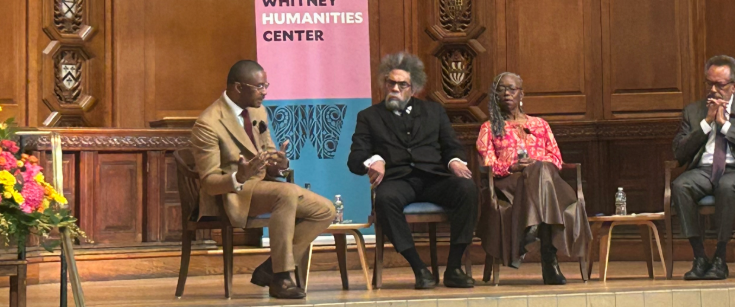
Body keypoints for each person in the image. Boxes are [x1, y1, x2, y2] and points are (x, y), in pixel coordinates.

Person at [191, 60, 336, 300]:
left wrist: (280, 165)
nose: (265, 91)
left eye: (265, 85)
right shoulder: (208, 123)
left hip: (263, 187)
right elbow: (209, 182)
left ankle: (269, 268)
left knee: (325, 210)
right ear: (238, 88)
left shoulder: (258, 110)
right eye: (259, 86)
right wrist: (239, 176)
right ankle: (282, 277)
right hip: (233, 194)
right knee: (286, 193)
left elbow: (267, 153)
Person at [347, 52, 479, 289]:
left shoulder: (434, 112)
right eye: (391, 83)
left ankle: (454, 268)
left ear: (413, 88)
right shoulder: (369, 116)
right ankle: (419, 268)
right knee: (384, 200)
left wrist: (455, 161)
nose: (395, 88)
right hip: (398, 181)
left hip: (433, 178)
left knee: (467, 189)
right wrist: (374, 160)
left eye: (402, 84)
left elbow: (451, 146)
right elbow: (355, 159)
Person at [476, 72, 590, 285]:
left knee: (541, 170)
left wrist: (536, 163)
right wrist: (513, 166)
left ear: (521, 94)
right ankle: (549, 259)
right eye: (501, 89)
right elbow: (488, 163)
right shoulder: (489, 128)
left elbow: (556, 158)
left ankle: (532, 226)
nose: (507, 93)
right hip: (511, 184)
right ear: (495, 95)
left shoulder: (540, 124)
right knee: (538, 174)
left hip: (547, 183)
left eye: (512, 89)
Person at [671, 55, 735, 281]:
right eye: (709, 83)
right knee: (680, 185)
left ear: (734, 86)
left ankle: (720, 257)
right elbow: (679, 152)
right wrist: (706, 124)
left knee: (727, 185)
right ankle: (699, 257)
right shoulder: (693, 111)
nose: (713, 89)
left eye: (720, 85)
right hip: (704, 171)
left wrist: (725, 126)